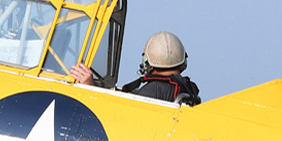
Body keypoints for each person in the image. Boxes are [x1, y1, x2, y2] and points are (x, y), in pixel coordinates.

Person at [72, 30, 201, 105]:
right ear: (183, 61)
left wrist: (90, 87)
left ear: (146, 61)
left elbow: (119, 118)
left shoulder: (154, 90)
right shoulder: (189, 89)